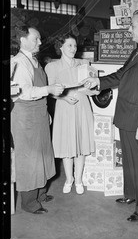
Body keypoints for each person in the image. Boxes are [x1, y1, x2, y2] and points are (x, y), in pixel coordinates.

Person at [81, 8, 138, 222]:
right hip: (126, 114)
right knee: (129, 160)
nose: (129, 28)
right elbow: (122, 74)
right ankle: (131, 194)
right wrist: (99, 82)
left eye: (132, 24)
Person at [11, 25, 65, 214]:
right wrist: (49, 90)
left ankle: (41, 193)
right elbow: (24, 92)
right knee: (29, 159)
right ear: (23, 40)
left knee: (43, 154)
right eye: (36, 39)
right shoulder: (19, 63)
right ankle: (28, 202)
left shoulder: (34, 60)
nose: (40, 42)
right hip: (25, 118)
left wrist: (46, 112)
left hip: (39, 114)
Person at [45, 34, 95, 195]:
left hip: (82, 105)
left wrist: (92, 87)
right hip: (64, 106)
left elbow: (91, 88)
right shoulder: (52, 67)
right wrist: (65, 97)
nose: (73, 49)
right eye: (69, 46)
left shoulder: (83, 64)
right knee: (67, 145)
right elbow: (50, 91)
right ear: (61, 47)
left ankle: (78, 179)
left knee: (80, 144)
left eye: (74, 46)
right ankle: (69, 179)